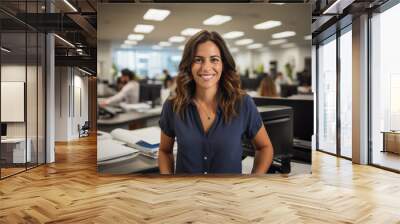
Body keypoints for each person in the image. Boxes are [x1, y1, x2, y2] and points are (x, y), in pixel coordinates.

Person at [158, 30, 274, 174]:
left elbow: (265, 148)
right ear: (189, 65)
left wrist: (252, 181)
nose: (206, 68)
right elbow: (164, 151)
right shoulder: (173, 106)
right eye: (198, 60)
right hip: (186, 193)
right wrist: (167, 183)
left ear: (223, 64)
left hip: (229, 194)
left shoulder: (243, 104)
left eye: (214, 59)